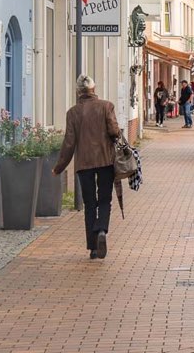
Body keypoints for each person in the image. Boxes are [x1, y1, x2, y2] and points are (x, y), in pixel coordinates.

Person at [53, 75, 121, 260]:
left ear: (78, 91)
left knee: (89, 203)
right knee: (105, 199)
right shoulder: (106, 106)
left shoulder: (73, 112)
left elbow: (69, 143)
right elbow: (114, 131)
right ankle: (101, 230)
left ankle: (92, 248)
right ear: (94, 88)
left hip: (84, 163)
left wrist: (59, 167)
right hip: (106, 161)